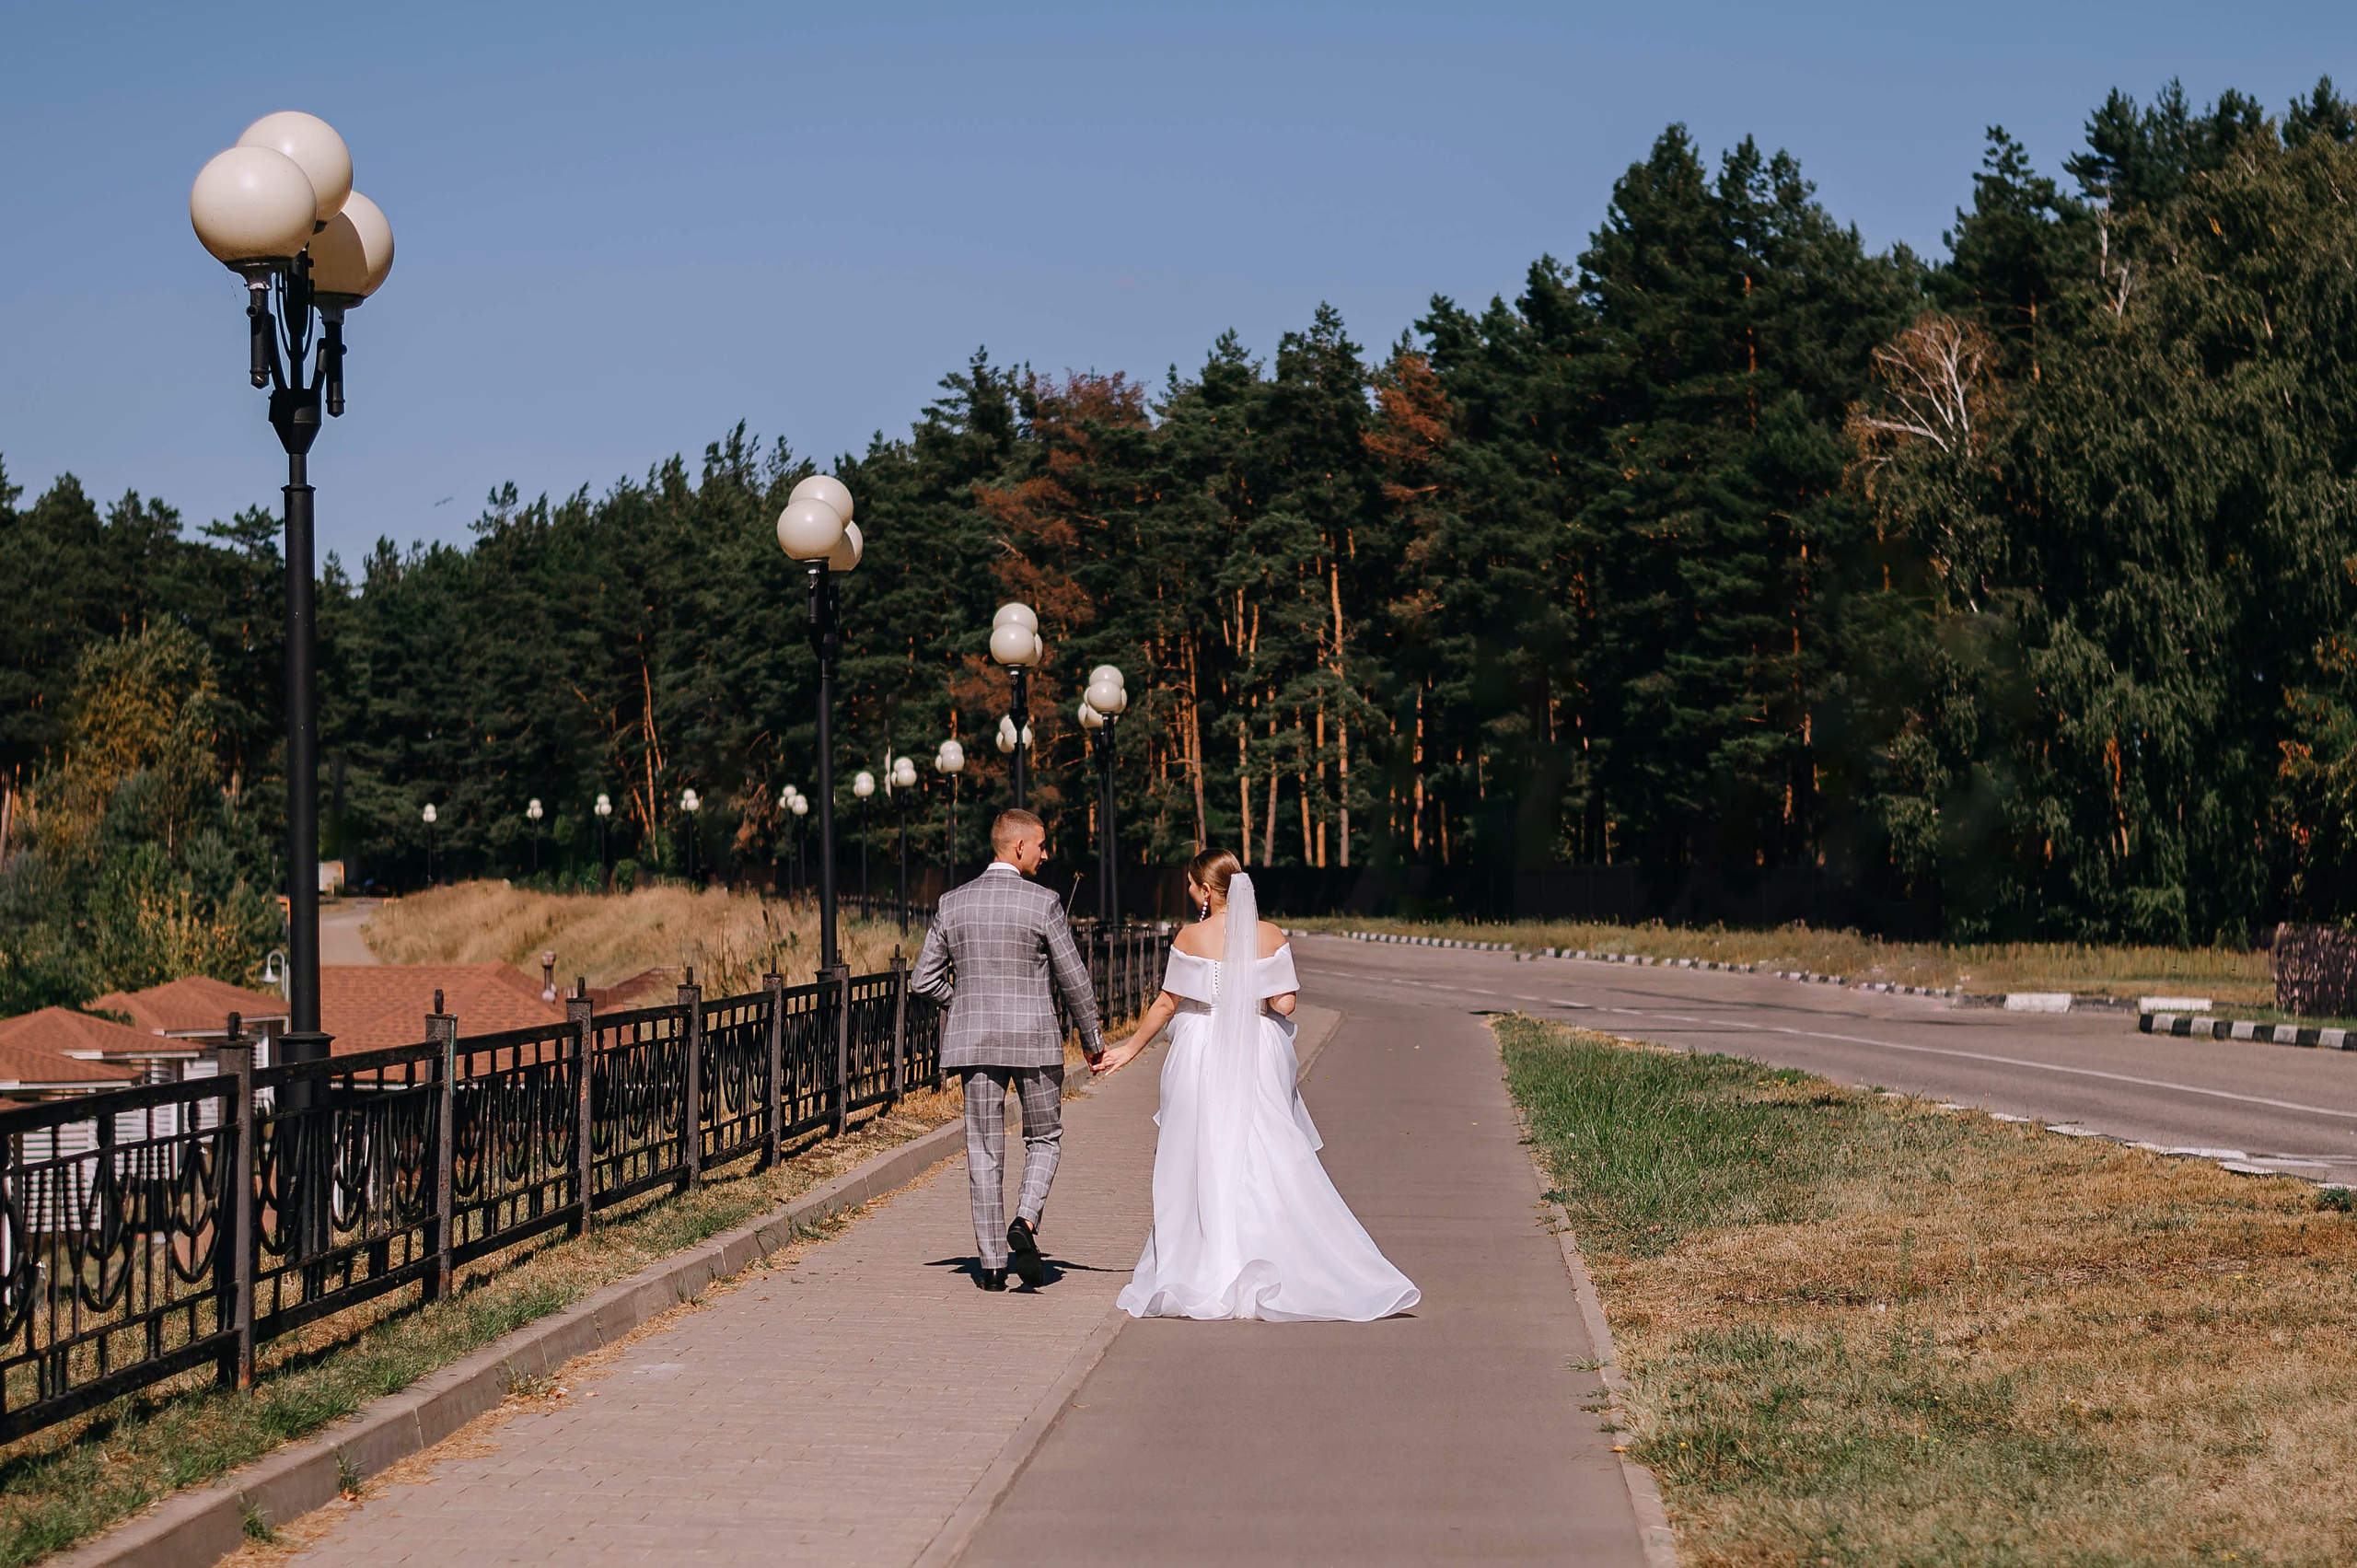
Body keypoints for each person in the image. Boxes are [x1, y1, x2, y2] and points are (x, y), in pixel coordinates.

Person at [1092, 849, 1419, 1321]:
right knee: (1263, 1145)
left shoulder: (1190, 935)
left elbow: (1166, 1004)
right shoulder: (1269, 935)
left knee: (1200, 1149)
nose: (1188, 893)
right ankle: (1286, 1253)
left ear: (1206, 891)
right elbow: (1284, 1004)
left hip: (1199, 1050)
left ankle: (1202, 1259)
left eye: (1190, 885)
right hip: (1255, 1048)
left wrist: (1128, 1049)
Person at [911, 808, 1105, 1291]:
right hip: (1034, 1040)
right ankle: (1026, 1219)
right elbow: (1074, 978)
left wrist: (966, 1003)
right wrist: (1094, 1042)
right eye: (1041, 844)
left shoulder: (953, 903)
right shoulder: (1043, 903)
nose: (1047, 852)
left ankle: (993, 1266)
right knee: (1044, 1137)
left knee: (983, 1148)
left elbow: (923, 980)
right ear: (1017, 847)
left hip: (974, 1043)